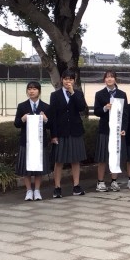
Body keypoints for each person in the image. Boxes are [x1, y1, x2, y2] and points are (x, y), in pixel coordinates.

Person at [48, 69, 88, 198]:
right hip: (61, 132)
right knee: (59, 161)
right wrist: (53, 135)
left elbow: (81, 108)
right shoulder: (55, 95)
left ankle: (76, 186)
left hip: (75, 131)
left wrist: (73, 93)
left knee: (75, 160)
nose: (68, 81)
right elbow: (53, 116)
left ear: (74, 81)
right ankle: (57, 187)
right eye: (65, 79)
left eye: (70, 79)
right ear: (61, 80)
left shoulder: (78, 94)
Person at [14, 81, 50, 201]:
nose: (31, 91)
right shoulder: (22, 106)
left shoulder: (45, 106)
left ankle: (37, 190)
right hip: (26, 142)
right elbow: (16, 124)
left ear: (39, 91)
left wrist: (46, 119)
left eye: (34, 89)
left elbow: (51, 125)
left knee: (38, 168)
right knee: (26, 168)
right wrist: (22, 119)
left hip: (40, 142)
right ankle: (29, 190)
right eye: (29, 89)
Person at [93, 71, 128, 192]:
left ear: (115, 79)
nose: (109, 79)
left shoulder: (122, 94)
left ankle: (114, 181)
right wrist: (105, 108)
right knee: (102, 157)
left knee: (115, 156)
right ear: (104, 80)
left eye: (112, 77)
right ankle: (100, 182)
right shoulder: (99, 94)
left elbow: (125, 114)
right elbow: (96, 111)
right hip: (105, 130)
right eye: (107, 77)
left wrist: (124, 128)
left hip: (117, 131)